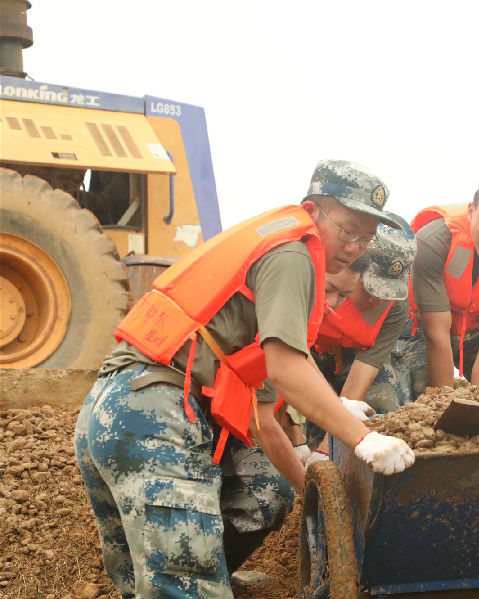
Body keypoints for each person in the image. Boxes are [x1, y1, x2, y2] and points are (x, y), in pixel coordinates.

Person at [73, 159, 416, 598]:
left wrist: (308, 479)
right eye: (347, 229)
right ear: (314, 210)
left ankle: (211, 574)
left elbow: (267, 407)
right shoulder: (293, 253)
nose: (354, 246)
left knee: (242, 507)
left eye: (366, 237)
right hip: (154, 411)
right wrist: (362, 438)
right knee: (186, 587)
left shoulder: (283, 256)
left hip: (120, 407)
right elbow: (288, 369)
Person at [370, 159, 479, 410]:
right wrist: (447, 411)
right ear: (472, 211)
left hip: (475, 333)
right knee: (421, 399)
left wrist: (478, 410)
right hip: (420, 329)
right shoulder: (433, 241)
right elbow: (436, 335)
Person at [303, 218, 416, 447]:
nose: (378, 298)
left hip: (355, 356)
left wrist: (327, 450)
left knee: (385, 409)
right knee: (306, 427)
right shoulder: (310, 277)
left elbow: (359, 382)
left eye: (388, 290)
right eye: (370, 287)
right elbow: (286, 361)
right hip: (306, 354)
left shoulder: (396, 306)